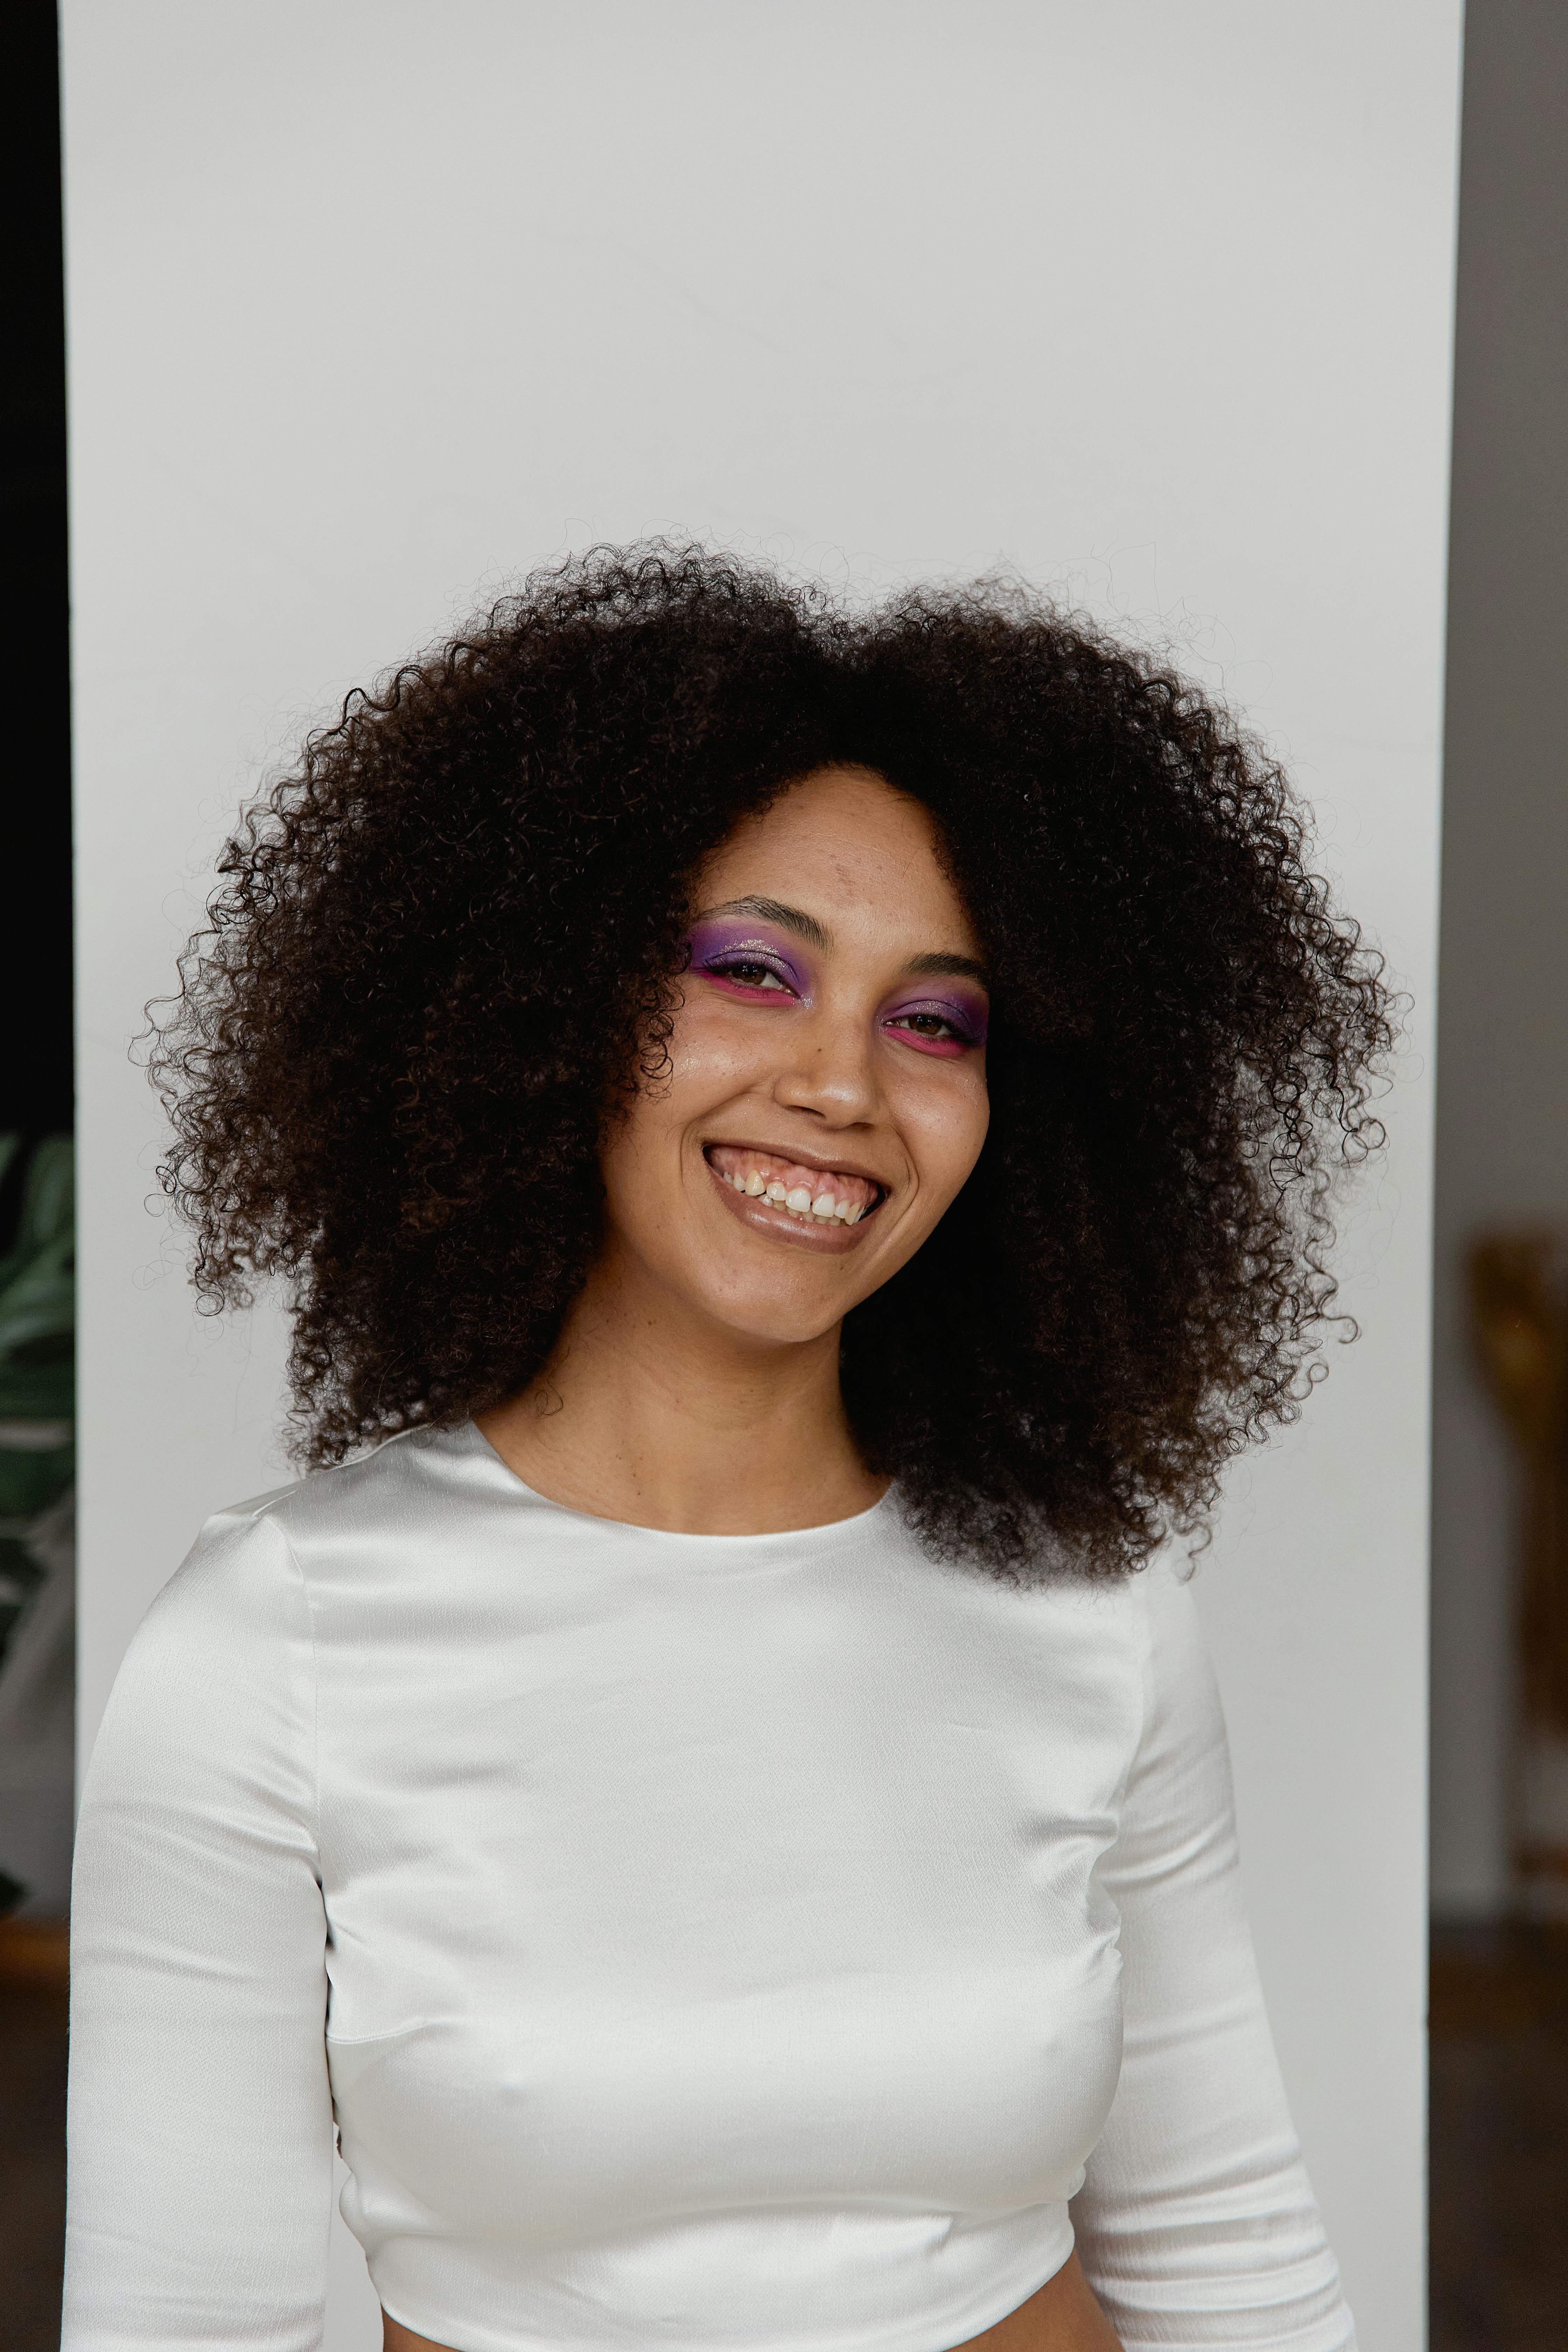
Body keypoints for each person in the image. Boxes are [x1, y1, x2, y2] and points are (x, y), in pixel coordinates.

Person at [64, 547, 1385, 2351]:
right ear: (541, 1011)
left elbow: (1230, 2258)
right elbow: (179, 2326)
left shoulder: (1092, 1606)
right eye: (753, 970)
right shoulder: (273, 1645)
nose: (845, 1081)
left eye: (935, 1018)